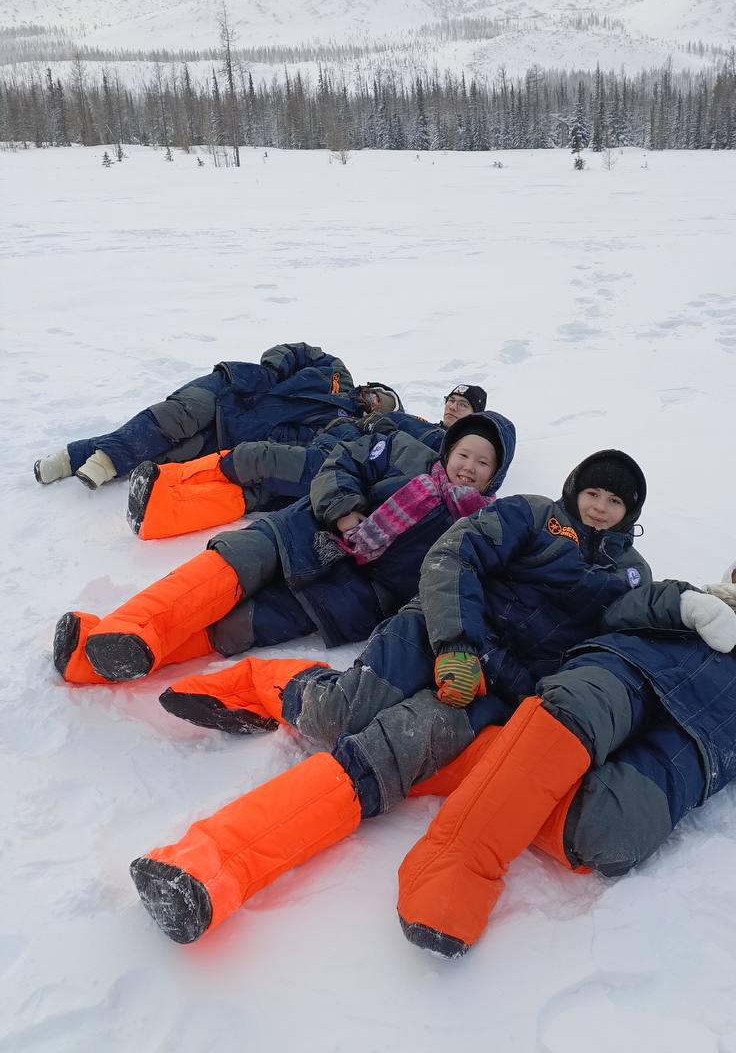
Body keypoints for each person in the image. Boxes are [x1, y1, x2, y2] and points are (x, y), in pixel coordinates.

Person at [126, 449, 652, 943]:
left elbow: (601, 655)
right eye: (595, 494)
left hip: (492, 690)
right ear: (576, 489)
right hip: (436, 630)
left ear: (629, 513)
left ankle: (207, 867)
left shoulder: (631, 577)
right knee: (338, 714)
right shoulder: (532, 515)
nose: (601, 508)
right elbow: (453, 555)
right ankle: (255, 684)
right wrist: (456, 645)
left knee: (383, 756)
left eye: (615, 502)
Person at [395, 557, 736, 957]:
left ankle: (483, 754)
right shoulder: (692, 593)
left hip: (700, 739)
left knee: (614, 832)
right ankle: (452, 869)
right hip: (630, 667)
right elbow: (619, 613)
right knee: (570, 714)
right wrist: (684, 606)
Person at [53, 410, 514, 687]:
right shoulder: (402, 452)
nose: (469, 467)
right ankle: (130, 628)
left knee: (234, 629)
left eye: (483, 462)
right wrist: (344, 510)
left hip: (342, 597)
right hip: (303, 531)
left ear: (496, 474)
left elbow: (443, 586)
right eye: (464, 454)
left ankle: (88, 662)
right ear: (449, 449)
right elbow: (340, 464)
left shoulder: (474, 529)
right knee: (224, 569)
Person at [126, 384, 489, 540]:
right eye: (451, 400)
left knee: (257, 459)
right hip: (336, 463)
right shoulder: (424, 424)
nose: (453, 406)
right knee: (257, 495)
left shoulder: (447, 448)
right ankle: (162, 512)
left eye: (464, 405)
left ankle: (166, 480)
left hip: (339, 470)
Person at [33, 341, 396, 490]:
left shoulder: (341, 426)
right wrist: (271, 371)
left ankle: (73, 456)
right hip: (233, 388)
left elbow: (299, 442)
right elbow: (295, 351)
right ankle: (105, 458)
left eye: (387, 408)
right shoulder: (337, 374)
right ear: (373, 388)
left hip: (232, 435)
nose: (379, 404)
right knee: (172, 420)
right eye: (383, 397)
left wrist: (268, 441)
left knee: (162, 455)